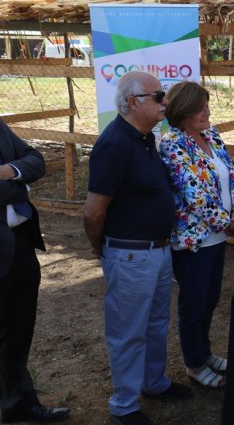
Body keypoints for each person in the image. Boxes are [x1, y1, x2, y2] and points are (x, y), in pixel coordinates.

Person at [83, 71, 192, 425]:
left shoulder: (145, 138)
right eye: (158, 96)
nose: (165, 102)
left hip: (157, 251)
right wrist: (102, 249)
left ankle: (153, 382)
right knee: (129, 331)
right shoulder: (114, 144)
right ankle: (124, 406)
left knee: (157, 323)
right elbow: (93, 211)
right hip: (130, 253)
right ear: (132, 102)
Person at [159, 82, 234, 388]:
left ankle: (204, 352)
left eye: (207, 105)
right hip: (194, 240)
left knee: (209, 300)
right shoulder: (173, 144)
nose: (207, 112)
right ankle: (194, 363)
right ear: (182, 113)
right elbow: (193, 193)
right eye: (200, 108)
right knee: (193, 304)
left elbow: (231, 175)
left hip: (219, 235)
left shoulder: (212, 135)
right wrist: (228, 222)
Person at [0, 120, 71, 423]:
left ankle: (19, 403)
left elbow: (36, 159)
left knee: (19, 328)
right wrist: (22, 186)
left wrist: (9, 173)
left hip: (19, 243)